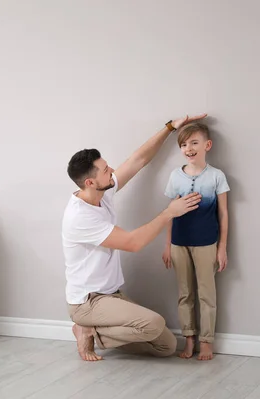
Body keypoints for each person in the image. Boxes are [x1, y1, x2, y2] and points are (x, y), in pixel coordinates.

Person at [62, 113, 207, 362]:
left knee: (166, 345)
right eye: (106, 170)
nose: (113, 171)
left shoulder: (100, 192)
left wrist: (171, 127)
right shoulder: (80, 217)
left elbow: (138, 160)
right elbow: (133, 243)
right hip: (89, 301)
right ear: (90, 182)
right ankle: (87, 329)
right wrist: (169, 213)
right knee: (154, 323)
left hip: (111, 295)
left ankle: (96, 331)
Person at [161, 122, 230, 361]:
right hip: (179, 244)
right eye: (183, 144)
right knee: (184, 293)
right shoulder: (175, 176)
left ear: (207, 145)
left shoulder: (216, 176)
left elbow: (223, 214)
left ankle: (206, 341)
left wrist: (222, 248)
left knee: (206, 295)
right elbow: (169, 212)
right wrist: (167, 244)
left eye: (194, 143)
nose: (188, 148)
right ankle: (189, 339)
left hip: (206, 244)